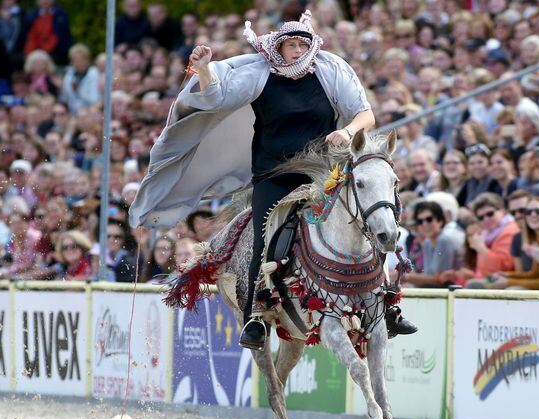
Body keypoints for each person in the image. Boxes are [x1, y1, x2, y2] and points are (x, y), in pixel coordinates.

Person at [128, 10, 412, 351]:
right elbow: (218, 96)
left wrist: (347, 131)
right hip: (273, 174)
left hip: (324, 173)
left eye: (302, 43)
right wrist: (204, 70)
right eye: (290, 44)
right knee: (264, 237)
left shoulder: (329, 71)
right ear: (278, 47)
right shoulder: (261, 75)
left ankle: (386, 304)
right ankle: (255, 317)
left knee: (369, 219)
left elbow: (365, 114)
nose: (296, 50)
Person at [494, 196, 539, 290]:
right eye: (528, 212)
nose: (533, 215)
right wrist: (507, 275)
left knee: (512, 290)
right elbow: (535, 273)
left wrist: (508, 282)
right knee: (481, 283)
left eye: (538, 211)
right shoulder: (536, 238)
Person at [405, 200, 462, 287]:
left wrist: (405, 277)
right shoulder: (428, 242)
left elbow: (439, 280)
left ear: (440, 221)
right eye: (420, 221)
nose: (425, 224)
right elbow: (428, 275)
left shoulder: (444, 240)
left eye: (429, 219)